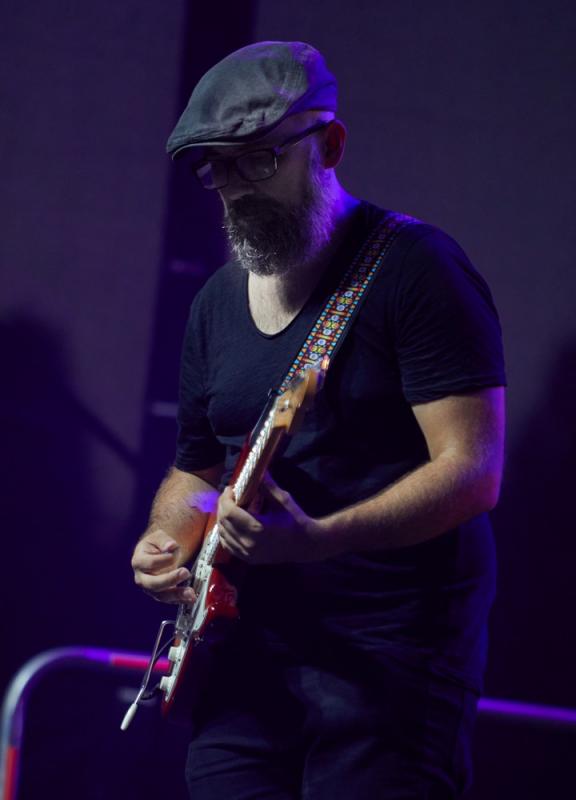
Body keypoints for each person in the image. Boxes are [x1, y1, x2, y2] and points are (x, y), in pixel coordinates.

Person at [131, 41, 506, 799]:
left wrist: (322, 538)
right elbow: (196, 467)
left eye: (259, 159)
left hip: (389, 661)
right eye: (216, 168)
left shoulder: (416, 269)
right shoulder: (215, 305)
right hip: (248, 657)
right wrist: (166, 539)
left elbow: (473, 470)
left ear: (328, 146)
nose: (235, 188)